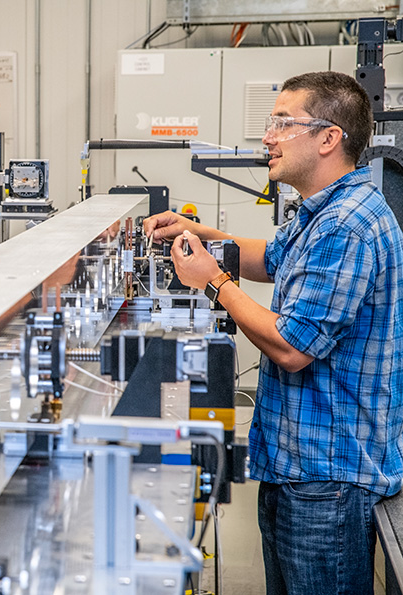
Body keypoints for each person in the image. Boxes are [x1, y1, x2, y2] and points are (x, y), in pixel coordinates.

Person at [143, 71, 403, 594]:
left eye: (284, 123)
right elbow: (269, 258)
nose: (268, 136)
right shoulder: (322, 211)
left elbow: (292, 347)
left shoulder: (346, 224)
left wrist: (213, 281)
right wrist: (200, 233)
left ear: (329, 138)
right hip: (298, 464)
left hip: (327, 478)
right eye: (271, 122)